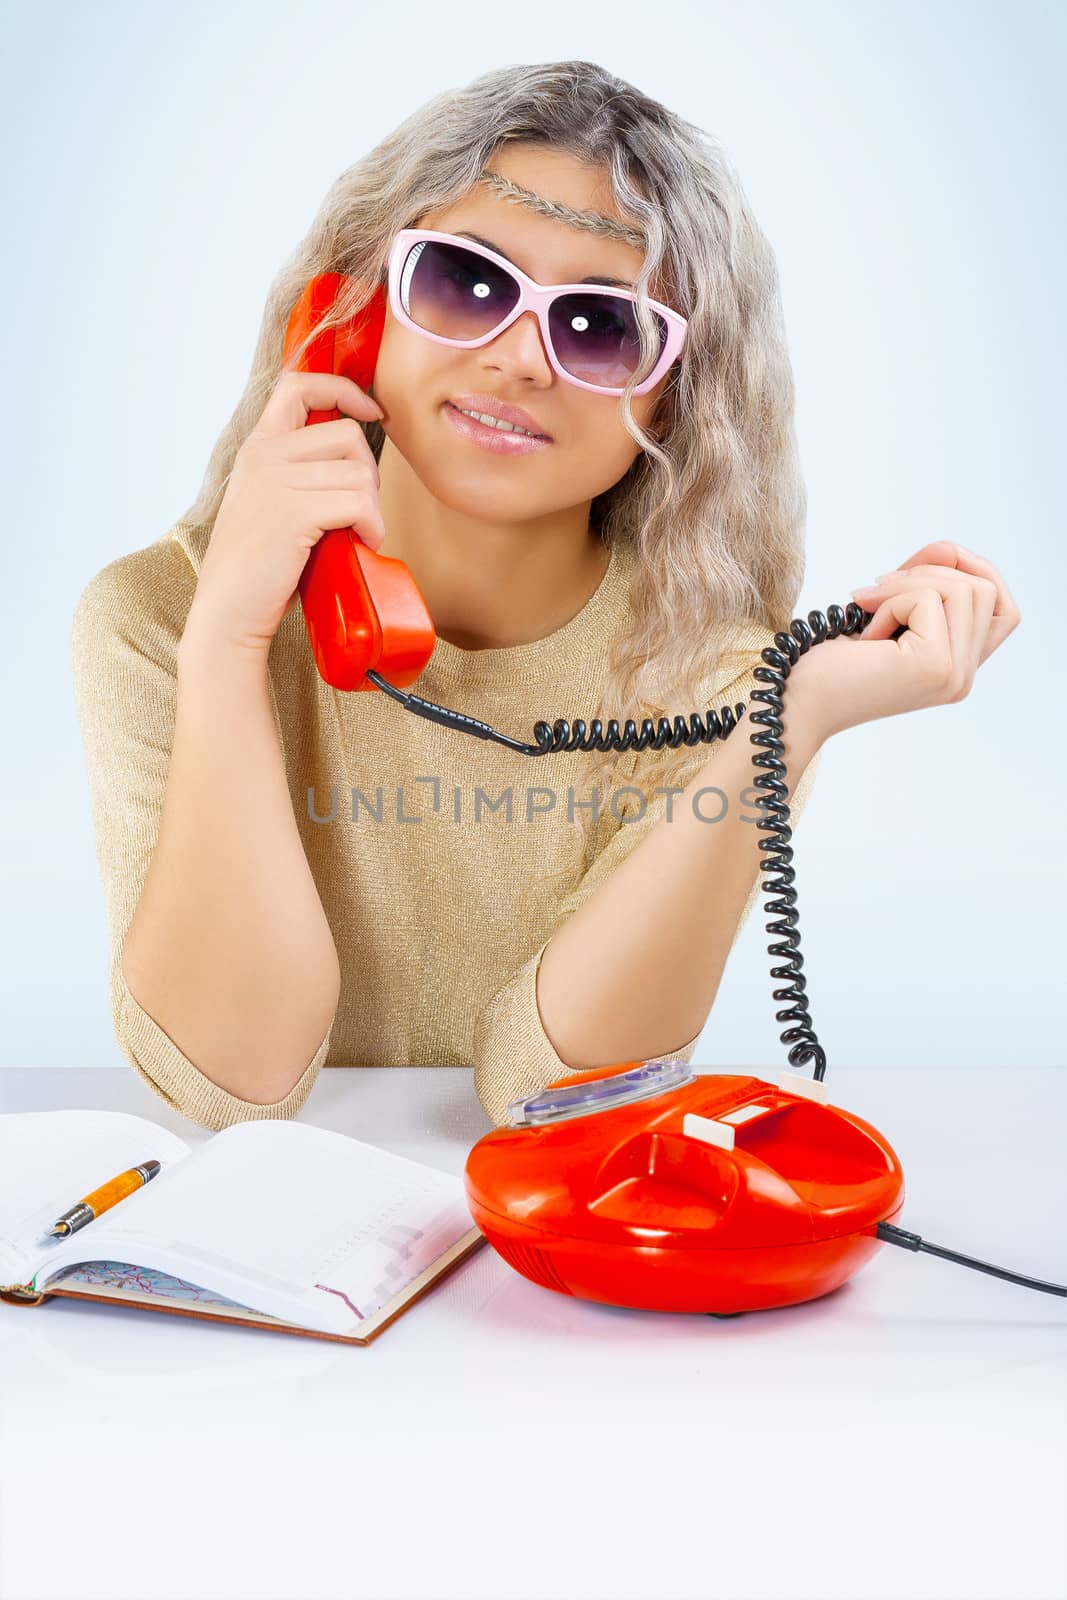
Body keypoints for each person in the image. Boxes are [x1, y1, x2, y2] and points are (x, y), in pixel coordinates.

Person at [70, 60, 1019, 1134]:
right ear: (349, 314)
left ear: (674, 405)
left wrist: (784, 722)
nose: (521, 358)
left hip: (541, 1270)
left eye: (600, 328)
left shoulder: (714, 684)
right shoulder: (157, 620)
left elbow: (547, 1095)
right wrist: (231, 640)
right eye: (463, 283)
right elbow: (228, 1081)